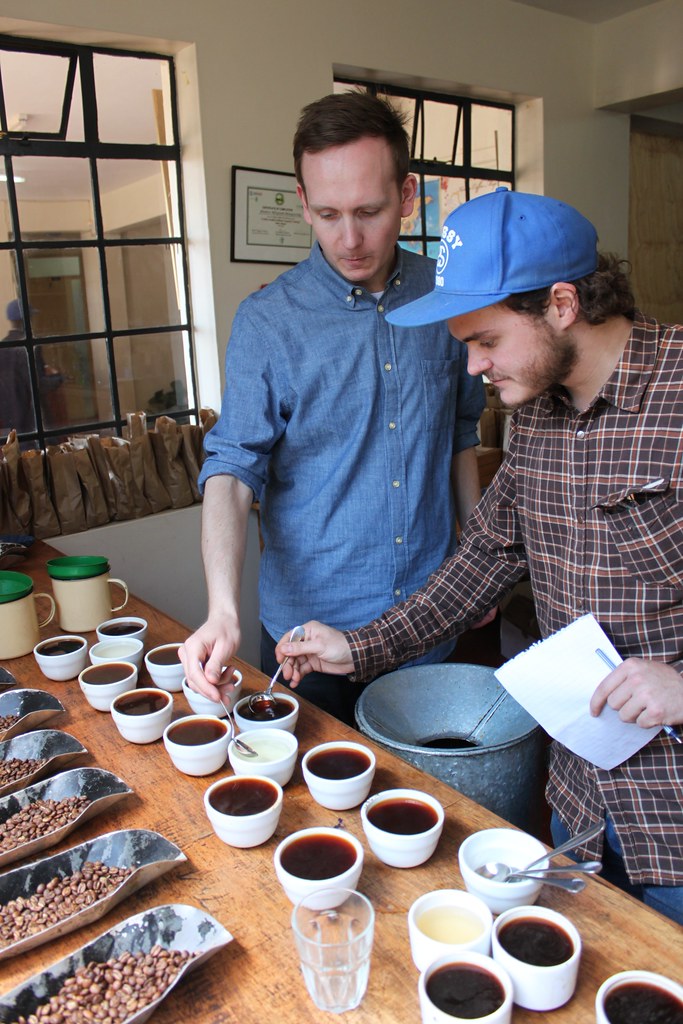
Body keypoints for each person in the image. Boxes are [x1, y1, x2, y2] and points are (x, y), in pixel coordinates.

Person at [275, 187, 683, 924]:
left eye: (485, 341)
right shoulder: (536, 415)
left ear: (560, 304)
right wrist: (356, 648)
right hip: (578, 812)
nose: (471, 368)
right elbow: (478, 564)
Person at [180, 92, 486, 725]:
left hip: (427, 626)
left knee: (432, 814)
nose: (349, 239)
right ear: (302, 202)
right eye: (327, 214)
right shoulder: (268, 322)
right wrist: (221, 609)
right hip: (307, 644)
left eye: (370, 212)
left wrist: (475, 555)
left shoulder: (446, 298)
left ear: (407, 197)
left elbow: (461, 432)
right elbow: (233, 471)